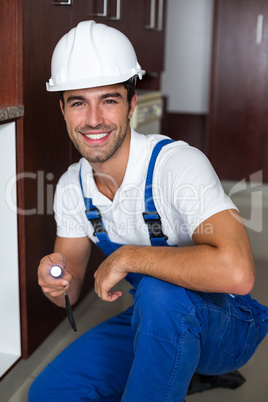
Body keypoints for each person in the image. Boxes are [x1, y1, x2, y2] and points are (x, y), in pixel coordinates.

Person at [29, 20, 268, 401]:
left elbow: (238, 273)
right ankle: (176, 367)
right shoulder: (72, 187)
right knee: (51, 391)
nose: (93, 119)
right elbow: (70, 291)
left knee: (158, 292)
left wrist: (129, 257)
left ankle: (185, 367)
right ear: (62, 109)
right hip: (154, 319)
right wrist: (54, 282)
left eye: (108, 100)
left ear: (131, 104)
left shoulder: (176, 166)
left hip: (228, 322)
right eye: (78, 102)